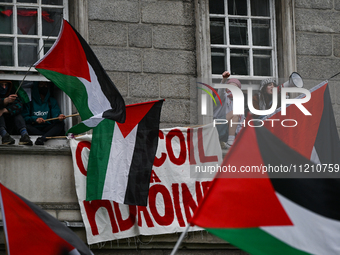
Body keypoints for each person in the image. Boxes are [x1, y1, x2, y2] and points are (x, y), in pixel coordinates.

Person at [22, 81, 66, 145]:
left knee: (60, 124)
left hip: (47, 128)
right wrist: (35, 119)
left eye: (45, 85)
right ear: (36, 87)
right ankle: (45, 136)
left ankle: (42, 138)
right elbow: (25, 117)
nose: (44, 87)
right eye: (41, 85)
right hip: (34, 128)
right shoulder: (29, 101)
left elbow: (55, 115)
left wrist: (59, 117)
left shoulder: (51, 101)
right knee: (24, 126)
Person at [213, 71, 244, 149]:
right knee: (235, 113)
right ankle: (230, 143)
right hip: (216, 128)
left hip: (228, 132)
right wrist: (224, 80)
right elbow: (221, 92)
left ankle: (229, 142)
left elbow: (240, 123)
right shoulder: (223, 98)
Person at [0, 80, 33, 145]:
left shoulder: (11, 94)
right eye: (1, 85)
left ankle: (24, 135)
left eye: (6, 85)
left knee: (17, 115)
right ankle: (4, 136)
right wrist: (4, 101)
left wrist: (5, 110)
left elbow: (19, 106)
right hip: (1, 124)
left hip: (11, 126)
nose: (4, 87)